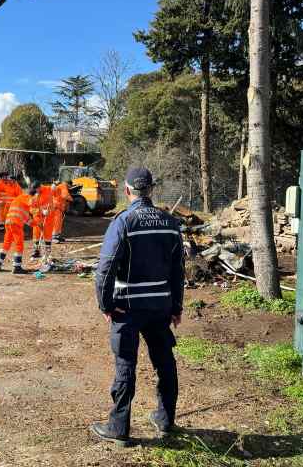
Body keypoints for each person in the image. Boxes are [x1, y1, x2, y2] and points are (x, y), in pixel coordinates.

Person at [90, 167, 184, 445]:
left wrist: (105, 304)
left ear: (128, 191)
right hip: (160, 307)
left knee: (125, 363)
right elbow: (179, 269)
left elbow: (105, 268)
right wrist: (176, 306)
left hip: (127, 308)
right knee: (164, 361)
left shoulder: (124, 221)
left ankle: (119, 428)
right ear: (151, 190)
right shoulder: (170, 222)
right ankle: (165, 420)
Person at [0, 183, 39, 274]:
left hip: (9, 222)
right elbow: (32, 203)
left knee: (7, 242)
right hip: (15, 223)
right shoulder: (26, 197)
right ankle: (17, 267)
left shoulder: (20, 202)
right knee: (19, 244)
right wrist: (39, 207)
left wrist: (36, 223)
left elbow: (27, 219)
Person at [30, 182, 55, 260]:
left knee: (47, 236)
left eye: (37, 189)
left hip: (48, 218)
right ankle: (36, 251)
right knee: (36, 236)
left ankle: (48, 253)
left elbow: (58, 192)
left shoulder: (48, 189)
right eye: (35, 190)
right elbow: (31, 209)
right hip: (37, 218)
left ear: (40, 186)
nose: (37, 191)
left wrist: (55, 188)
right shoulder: (33, 196)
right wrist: (41, 211)